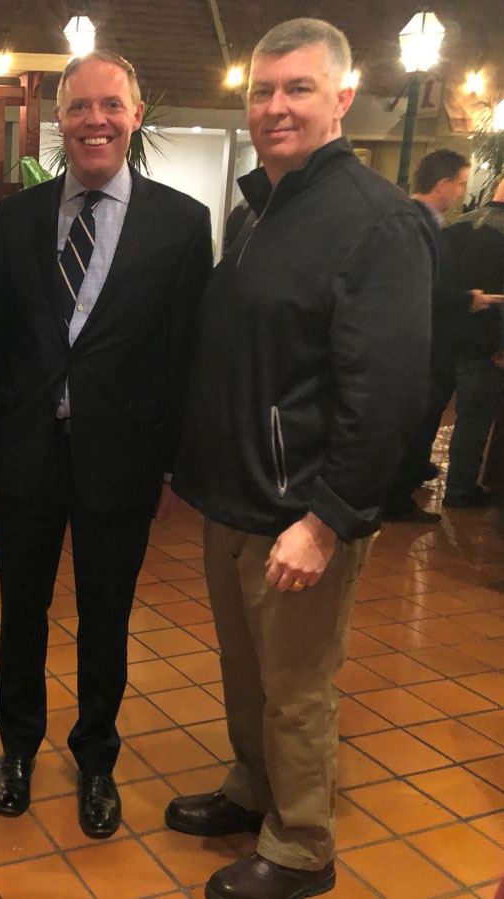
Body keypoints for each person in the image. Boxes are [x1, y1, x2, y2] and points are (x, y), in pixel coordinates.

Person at [169, 19, 432, 899]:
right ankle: (254, 791)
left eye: (297, 89)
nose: (274, 106)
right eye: (261, 90)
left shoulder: (377, 221)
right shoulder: (261, 207)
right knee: (247, 676)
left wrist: (324, 521)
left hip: (301, 512)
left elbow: (385, 395)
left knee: (298, 689)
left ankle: (302, 844)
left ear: (342, 100)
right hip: (235, 498)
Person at [0, 50, 212, 840]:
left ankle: (96, 757)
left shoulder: (181, 223)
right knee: (21, 612)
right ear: (59, 119)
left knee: (107, 617)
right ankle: (16, 747)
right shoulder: (19, 216)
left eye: (111, 105)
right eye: (79, 107)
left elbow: (183, 355)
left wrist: (173, 463)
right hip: (26, 452)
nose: (94, 120)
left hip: (122, 459)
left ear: (135, 114)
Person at [382, 148, 470, 523]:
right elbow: (423, 288)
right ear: (444, 183)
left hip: (422, 341)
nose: (463, 193)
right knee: (414, 420)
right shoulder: (417, 222)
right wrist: (467, 299)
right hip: (421, 344)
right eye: (462, 184)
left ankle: (408, 476)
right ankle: (395, 496)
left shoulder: (415, 218)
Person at [435, 176, 504, 508]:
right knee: (472, 419)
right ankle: (460, 489)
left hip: (443, 336)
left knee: (429, 412)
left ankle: (409, 475)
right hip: (484, 342)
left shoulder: (459, 224)